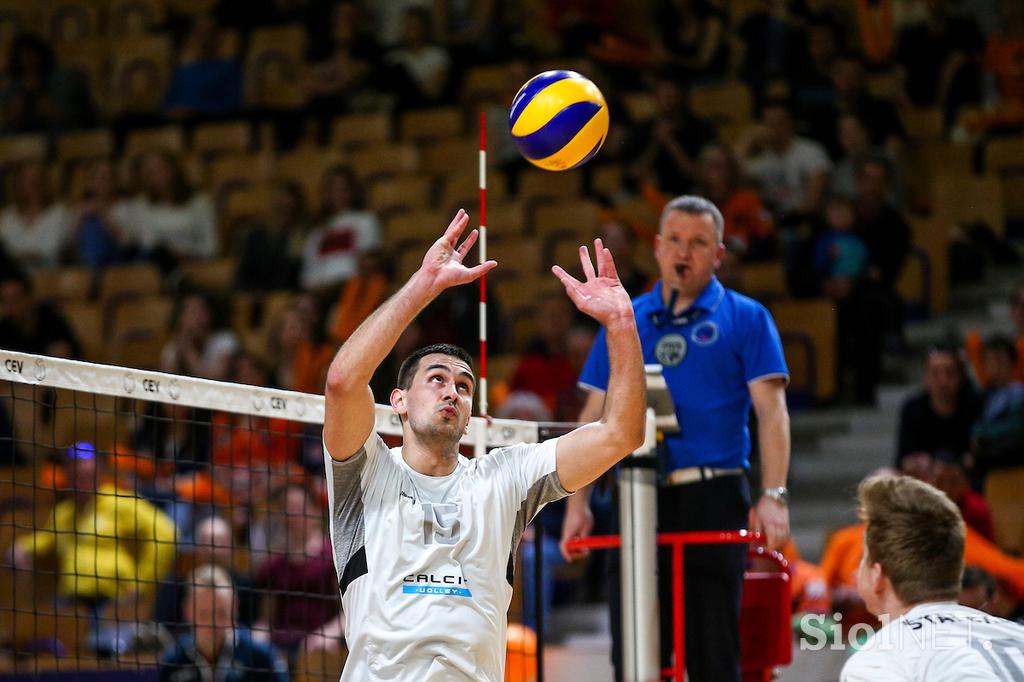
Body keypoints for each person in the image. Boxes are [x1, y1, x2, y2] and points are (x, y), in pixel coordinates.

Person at [322, 209, 645, 680]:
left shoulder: (503, 477)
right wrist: (425, 285)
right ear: (399, 402)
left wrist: (620, 323)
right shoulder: (366, 470)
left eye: (464, 385)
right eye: (436, 379)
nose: (452, 390)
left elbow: (621, 433)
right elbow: (342, 382)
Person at [562, 195, 791, 682]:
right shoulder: (625, 318)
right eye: (676, 241)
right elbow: (593, 416)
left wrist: (773, 495)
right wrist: (577, 504)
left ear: (719, 254)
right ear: (658, 246)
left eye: (699, 243)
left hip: (714, 493)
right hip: (635, 495)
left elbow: (771, 413)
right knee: (635, 650)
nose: (685, 253)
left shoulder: (747, 317)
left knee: (713, 650)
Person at [839, 474, 1024, 681]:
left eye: (863, 560)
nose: (856, 572)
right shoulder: (1017, 634)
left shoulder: (877, 661)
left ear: (877, 577)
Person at [158, 564, 288, 682]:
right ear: (187, 611)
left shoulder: (262, 658)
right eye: (204, 614)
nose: (213, 624)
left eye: (221, 613)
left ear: (235, 607)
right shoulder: (172, 662)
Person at [896, 345, 981, 468]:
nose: (943, 381)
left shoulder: (974, 405)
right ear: (926, 378)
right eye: (935, 373)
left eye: (950, 373)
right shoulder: (912, 409)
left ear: (960, 377)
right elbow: (902, 460)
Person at [0, 160, 73, 271]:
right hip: (11, 281)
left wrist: (35, 257)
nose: (33, 185)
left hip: (50, 279)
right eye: (27, 181)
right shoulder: (7, 217)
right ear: (18, 185)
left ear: (45, 184)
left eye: (36, 180)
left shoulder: (60, 214)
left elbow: (60, 250)